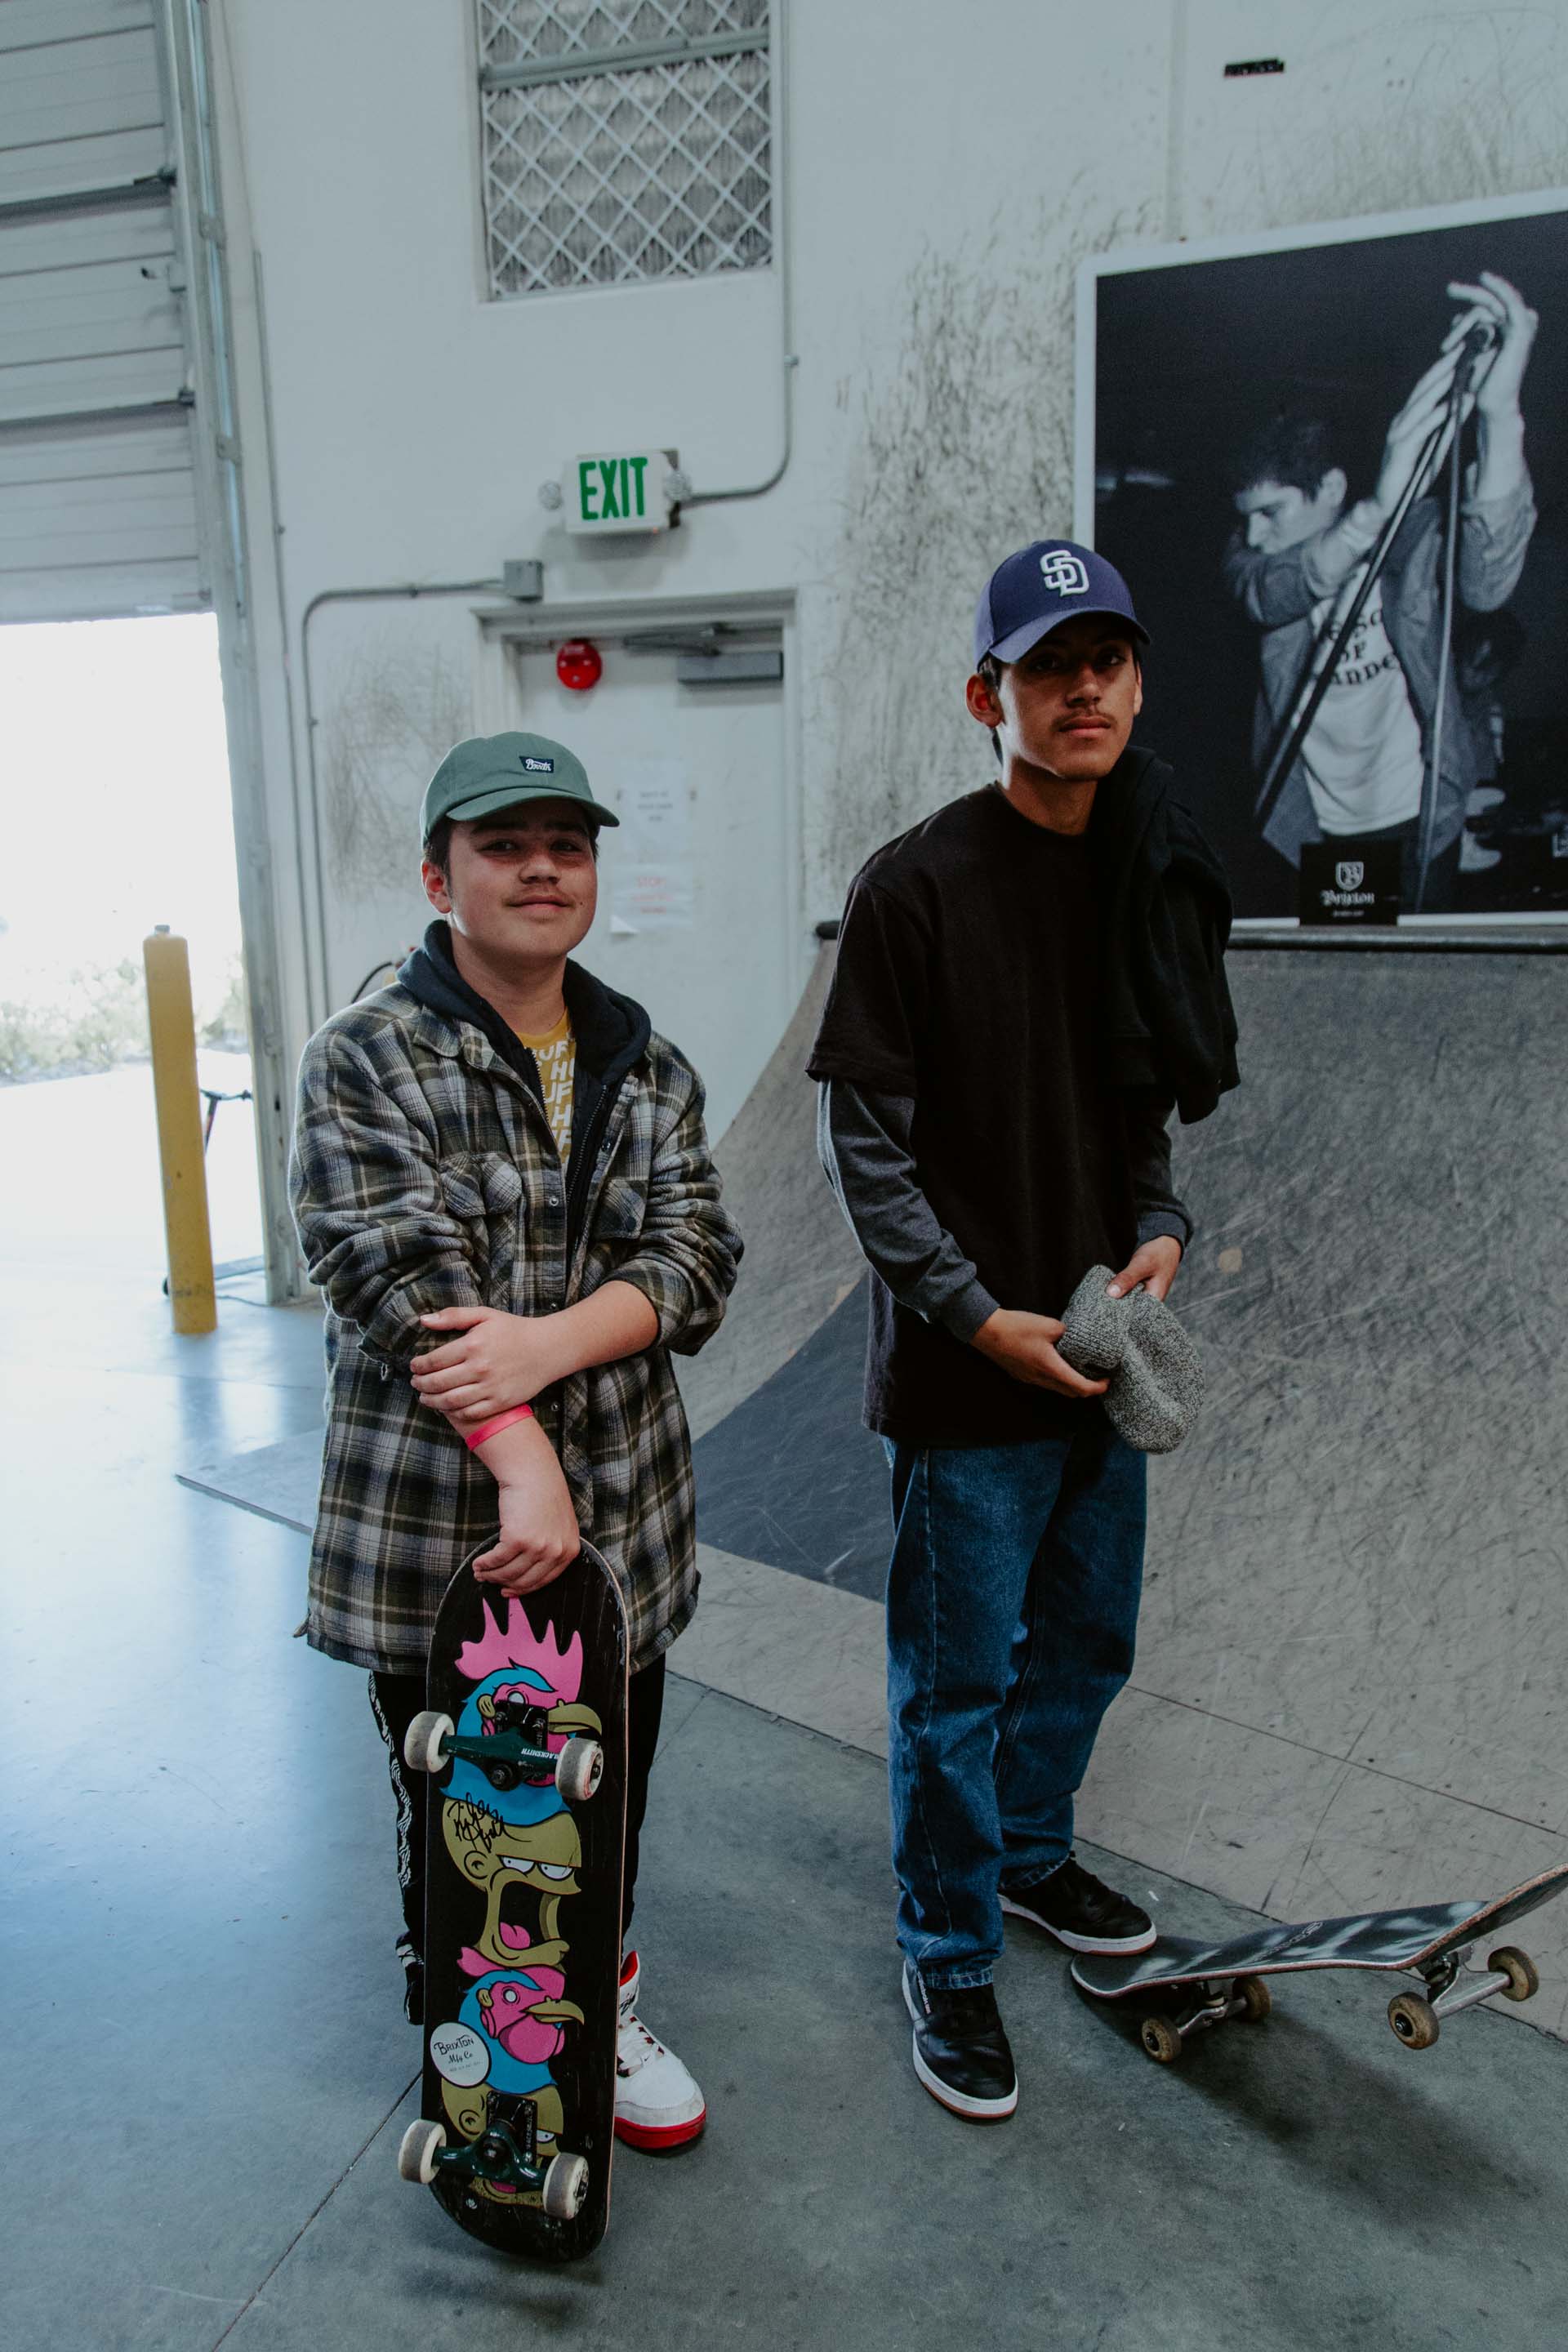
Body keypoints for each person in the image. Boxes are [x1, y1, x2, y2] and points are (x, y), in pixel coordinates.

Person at [808, 541, 1237, 2121]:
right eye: (1051, 665)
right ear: (987, 694)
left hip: (1100, 1346)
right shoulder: (914, 887)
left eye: (1109, 660)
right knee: (953, 1686)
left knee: (1092, 1640)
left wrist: (1163, 1228)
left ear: (1135, 682)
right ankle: (948, 1946)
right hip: (970, 1369)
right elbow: (870, 1150)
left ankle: (1037, 1859)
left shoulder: (1138, 862)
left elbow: (1144, 1098)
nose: (1084, 689)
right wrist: (979, 1320)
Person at [290, 731, 742, 2151]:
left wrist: (548, 1346)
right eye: (503, 844)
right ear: (441, 875)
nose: (542, 868)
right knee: (469, 1799)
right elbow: (390, 1268)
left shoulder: (640, 1054)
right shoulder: (363, 1057)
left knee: (606, 1781)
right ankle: (472, 2001)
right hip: (442, 1524)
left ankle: (597, 1997)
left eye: (568, 843)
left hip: (622, 1522)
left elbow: (699, 1253)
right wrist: (520, 1453)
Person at [1225, 270, 1537, 913]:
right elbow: (1265, 593)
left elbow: (1489, 583)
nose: (1254, 536)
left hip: (1419, 817)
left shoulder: (1412, 536)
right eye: (1247, 517)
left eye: (1271, 513)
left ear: (1331, 489)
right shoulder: (1254, 555)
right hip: (1308, 825)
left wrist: (1500, 415)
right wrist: (1375, 510)